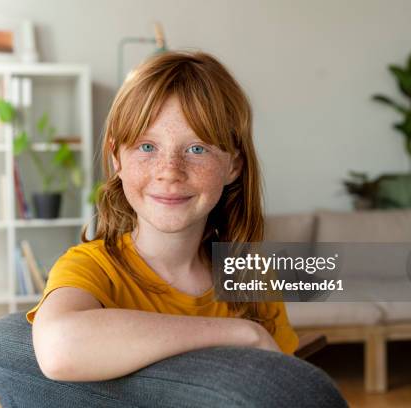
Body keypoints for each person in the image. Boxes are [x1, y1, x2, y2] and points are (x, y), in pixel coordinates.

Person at [27, 50, 300, 382]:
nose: (169, 172)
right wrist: (241, 334)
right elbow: (59, 348)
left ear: (233, 166)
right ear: (117, 157)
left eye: (197, 149)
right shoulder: (92, 268)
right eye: (147, 147)